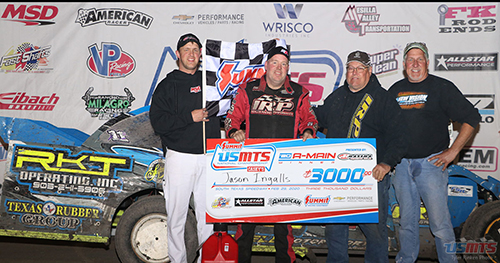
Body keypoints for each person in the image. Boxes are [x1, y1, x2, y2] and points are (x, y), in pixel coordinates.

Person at [388, 42, 481, 263]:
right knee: (406, 224)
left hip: (431, 165)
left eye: (420, 59)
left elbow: (472, 118)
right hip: (400, 166)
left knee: (440, 224)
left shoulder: (442, 87)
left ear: (428, 62)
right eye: (411, 59)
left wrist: (452, 152)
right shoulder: (394, 90)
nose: (415, 63)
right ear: (404, 64)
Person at [224, 46, 318, 263]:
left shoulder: (299, 92)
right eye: (275, 62)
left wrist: (308, 131)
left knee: (283, 227)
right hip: (252, 167)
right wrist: (233, 131)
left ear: (288, 68)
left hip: (285, 168)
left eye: (284, 64)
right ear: (266, 66)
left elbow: (310, 120)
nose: (279, 68)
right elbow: (231, 118)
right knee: (245, 224)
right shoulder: (248, 90)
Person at [313, 50, 408, 263]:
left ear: (369, 71)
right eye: (351, 68)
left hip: (371, 178)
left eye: (360, 68)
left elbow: (400, 137)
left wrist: (386, 163)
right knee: (335, 232)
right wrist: (307, 126)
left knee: (375, 233)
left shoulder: (383, 99)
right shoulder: (337, 96)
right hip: (337, 177)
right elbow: (317, 117)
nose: (354, 73)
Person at [149, 33, 221, 263]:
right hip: (180, 157)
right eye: (186, 49)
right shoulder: (167, 85)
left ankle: (205, 259)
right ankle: (177, 260)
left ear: (201, 55)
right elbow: (159, 123)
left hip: (209, 156)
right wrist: (189, 117)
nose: (191, 53)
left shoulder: (211, 82)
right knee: (176, 216)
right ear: (178, 54)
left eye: (195, 49)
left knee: (208, 215)